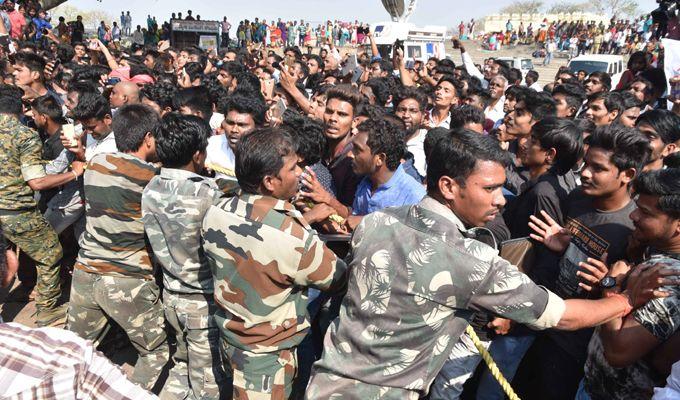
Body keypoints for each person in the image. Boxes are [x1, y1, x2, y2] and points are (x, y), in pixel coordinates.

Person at [306, 130, 666, 399]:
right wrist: (624, 300)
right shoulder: (469, 258)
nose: (500, 201)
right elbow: (563, 315)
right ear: (448, 185)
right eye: (489, 189)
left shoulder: (377, 221)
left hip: (325, 384)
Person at [202, 128, 348, 399]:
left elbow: (263, 243)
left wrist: (303, 221)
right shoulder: (293, 238)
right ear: (270, 181)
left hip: (229, 339)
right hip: (267, 359)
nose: (299, 173)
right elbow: (338, 279)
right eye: (293, 168)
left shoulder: (216, 212)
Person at [525, 124, 651, 399]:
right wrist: (560, 249)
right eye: (585, 163)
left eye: (598, 168)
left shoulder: (633, 231)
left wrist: (606, 283)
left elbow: (625, 300)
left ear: (627, 175)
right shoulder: (578, 199)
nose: (584, 173)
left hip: (573, 346)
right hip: (544, 320)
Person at [66, 104, 169, 391]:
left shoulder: (96, 165)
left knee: (77, 348)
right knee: (155, 352)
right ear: (149, 138)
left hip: (85, 272)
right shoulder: (153, 181)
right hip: (127, 279)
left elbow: (121, 168)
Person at [142, 113, 230, 399]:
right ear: (197, 154)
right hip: (201, 302)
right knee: (208, 380)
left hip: (171, 294)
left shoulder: (151, 188)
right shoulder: (207, 193)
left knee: (181, 364)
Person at [577, 168, 680, 400]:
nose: (633, 216)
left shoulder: (669, 278)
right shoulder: (652, 246)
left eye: (645, 212)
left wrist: (610, 287)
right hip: (594, 384)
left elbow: (618, 351)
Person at [0, 85, 82, 326]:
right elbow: (36, 182)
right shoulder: (24, 135)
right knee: (50, 254)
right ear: (22, 109)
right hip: (15, 211)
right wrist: (74, 173)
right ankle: (47, 312)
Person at [345, 118, 426, 230]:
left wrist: (367, 222)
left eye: (357, 150)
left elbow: (413, 241)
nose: (350, 154)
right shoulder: (366, 182)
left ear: (380, 159)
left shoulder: (414, 196)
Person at [205, 94, 266, 180]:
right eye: (230, 123)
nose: (234, 130)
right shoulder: (211, 146)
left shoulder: (268, 154)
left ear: (258, 127)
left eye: (242, 125)